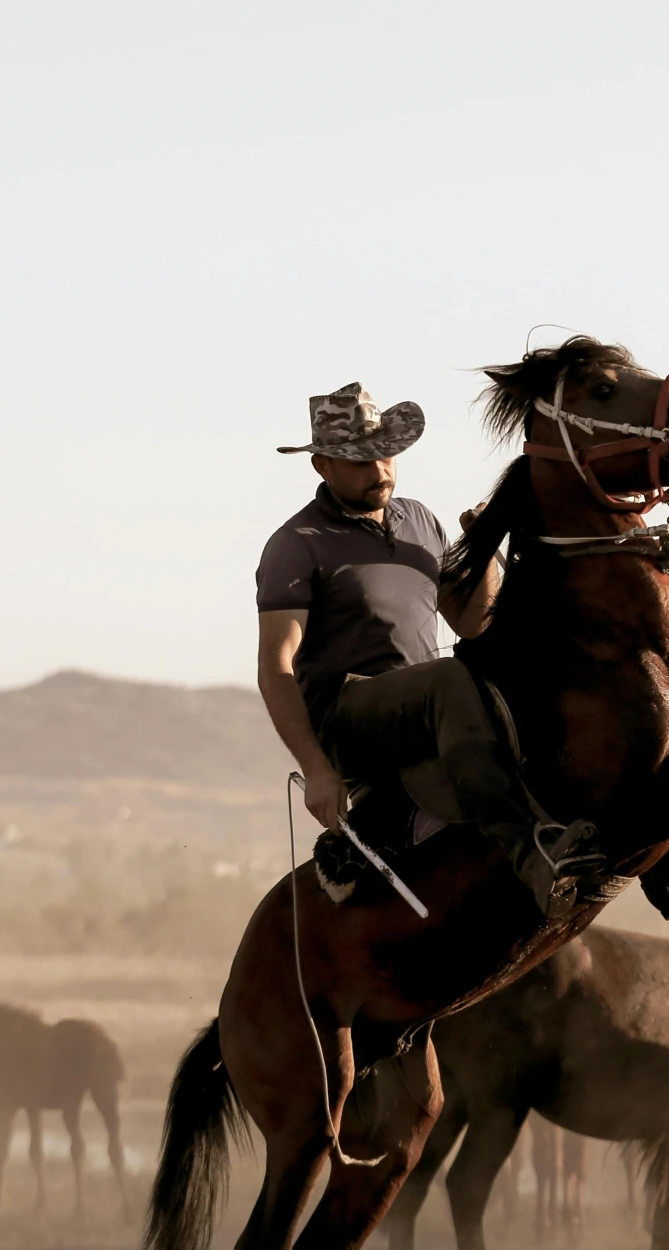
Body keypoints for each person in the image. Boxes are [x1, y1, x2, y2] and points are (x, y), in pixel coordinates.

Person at [256, 380, 605, 916]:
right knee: (447, 678)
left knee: (516, 676)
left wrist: (484, 550)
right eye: (359, 461)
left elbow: (470, 623)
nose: (380, 472)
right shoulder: (296, 544)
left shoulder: (420, 520)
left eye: (386, 454)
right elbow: (275, 665)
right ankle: (533, 853)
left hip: (429, 709)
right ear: (321, 464)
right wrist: (317, 767)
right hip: (348, 717)